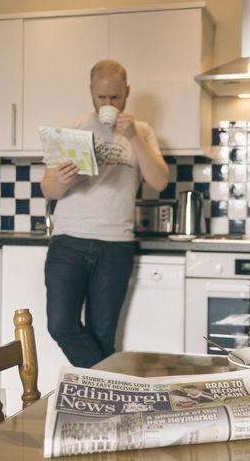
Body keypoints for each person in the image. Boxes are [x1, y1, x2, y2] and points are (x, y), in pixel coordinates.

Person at [41, 59, 169, 368]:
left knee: (102, 336)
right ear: (90, 92)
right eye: (101, 98)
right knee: (60, 325)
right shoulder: (73, 128)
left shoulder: (143, 131)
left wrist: (134, 137)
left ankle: (104, 408)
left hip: (115, 245)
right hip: (68, 243)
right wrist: (61, 180)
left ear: (127, 92)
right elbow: (47, 189)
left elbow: (160, 181)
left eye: (115, 97)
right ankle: (120, 389)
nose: (108, 104)